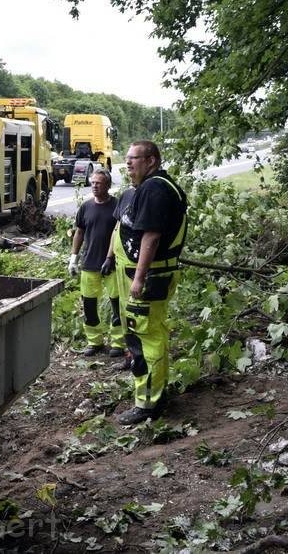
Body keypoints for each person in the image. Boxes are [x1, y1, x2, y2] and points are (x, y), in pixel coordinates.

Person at [102, 140, 187, 425]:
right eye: (125, 158)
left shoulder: (154, 188)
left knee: (142, 338)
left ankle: (148, 404)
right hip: (151, 274)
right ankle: (158, 391)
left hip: (148, 278)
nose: (127, 163)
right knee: (155, 332)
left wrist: (138, 279)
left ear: (151, 161)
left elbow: (151, 236)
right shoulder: (156, 186)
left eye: (133, 158)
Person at [69, 169, 124, 358]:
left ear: (108, 185)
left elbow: (121, 233)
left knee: (118, 303)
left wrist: (112, 258)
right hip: (89, 263)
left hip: (113, 265)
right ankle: (95, 342)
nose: (94, 186)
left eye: (99, 183)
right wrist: (73, 259)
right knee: (90, 305)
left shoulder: (117, 205)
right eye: (92, 183)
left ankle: (118, 343)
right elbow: (79, 232)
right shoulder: (85, 207)